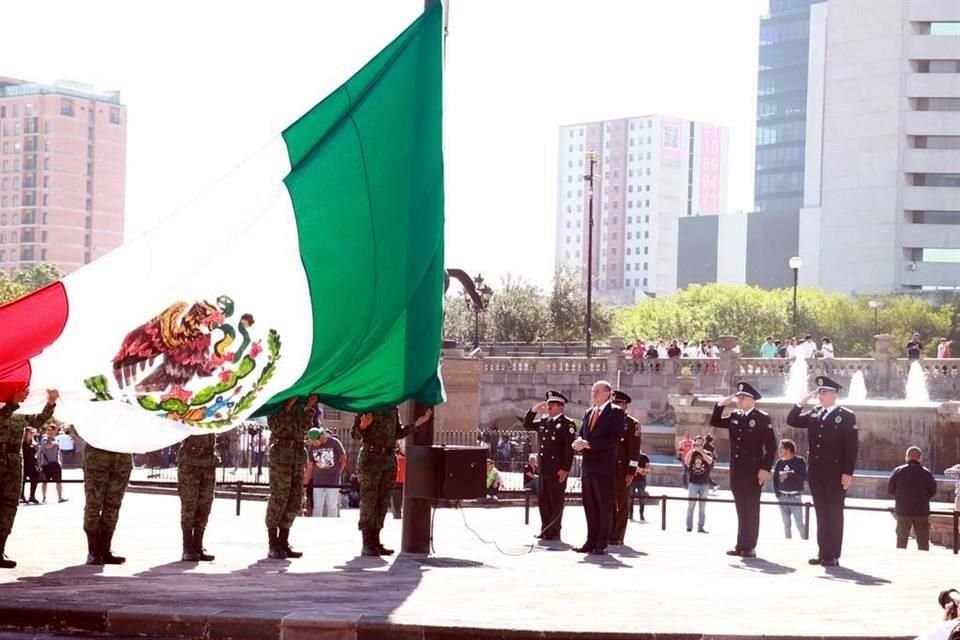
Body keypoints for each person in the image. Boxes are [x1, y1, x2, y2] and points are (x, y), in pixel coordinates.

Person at [786, 375, 859, 567]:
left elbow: (851, 447)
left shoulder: (846, 415)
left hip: (835, 472)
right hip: (816, 471)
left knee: (834, 512)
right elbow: (792, 420)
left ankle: (833, 553)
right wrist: (801, 402)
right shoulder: (815, 412)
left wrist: (847, 473)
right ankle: (823, 552)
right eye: (819, 392)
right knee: (821, 513)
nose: (820, 395)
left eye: (824, 392)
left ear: (834, 395)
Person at [352, 406, 432, 556]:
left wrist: (417, 424)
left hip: (388, 459)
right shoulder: (367, 406)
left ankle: (376, 541)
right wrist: (363, 426)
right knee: (369, 501)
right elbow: (354, 434)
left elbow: (398, 432)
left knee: (382, 502)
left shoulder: (392, 409)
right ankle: (367, 543)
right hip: (370, 458)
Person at [710, 382, 776, 556]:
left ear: (752, 400)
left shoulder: (762, 417)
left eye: (743, 397)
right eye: (738, 397)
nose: (739, 400)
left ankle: (750, 546)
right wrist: (720, 404)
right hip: (737, 469)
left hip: (754, 469)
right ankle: (740, 544)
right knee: (741, 507)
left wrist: (765, 469)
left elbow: (771, 447)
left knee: (752, 508)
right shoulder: (735, 415)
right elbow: (715, 421)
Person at [0, 388, 57, 568]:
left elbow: (37, 420)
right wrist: (12, 403)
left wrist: (50, 403)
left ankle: (0, 549)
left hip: (14, 459)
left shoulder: (22, 410)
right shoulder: (8, 406)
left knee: (9, 505)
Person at [572, 380, 625, 555]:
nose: (593, 394)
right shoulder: (589, 412)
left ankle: (601, 543)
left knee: (603, 506)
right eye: (592, 391)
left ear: (607, 393)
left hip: (604, 467)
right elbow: (583, 434)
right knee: (590, 506)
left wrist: (590, 444)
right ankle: (591, 540)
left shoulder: (615, 412)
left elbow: (614, 438)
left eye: (596, 391)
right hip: (588, 466)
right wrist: (578, 443)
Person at [265, 395, 316, 560]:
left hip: (297, 456)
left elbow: (305, 428)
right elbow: (275, 426)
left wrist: (308, 408)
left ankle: (284, 541)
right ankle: (273, 543)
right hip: (281, 455)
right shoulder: (276, 402)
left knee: (294, 500)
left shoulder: (301, 404)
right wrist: (286, 407)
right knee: (279, 498)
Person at [523, 390, 576, 541]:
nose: (548, 408)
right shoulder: (544, 422)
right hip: (544, 469)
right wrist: (534, 410)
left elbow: (569, 449)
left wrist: (565, 469)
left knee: (556, 501)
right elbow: (527, 424)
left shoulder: (567, 424)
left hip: (557, 470)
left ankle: (554, 531)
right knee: (543, 500)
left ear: (561, 407)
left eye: (552, 405)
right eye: (548, 405)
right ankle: (545, 529)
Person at [83, 442, 134, 565]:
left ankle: (105, 550)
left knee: (114, 506)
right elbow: (79, 427)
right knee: (94, 504)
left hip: (122, 460)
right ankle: (93, 551)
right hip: (97, 460)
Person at [177, 433, 218, 562]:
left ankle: (198, 546)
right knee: (189, 504)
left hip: (208, 461)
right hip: (190, 461)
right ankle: (187, 547)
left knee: (205, 505)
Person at [888, 446, 938, 551]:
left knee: (901, 541)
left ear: (907, 457)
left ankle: (900, 562)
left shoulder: (898, 471)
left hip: (903, 510)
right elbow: (933, 490)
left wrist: (901, 497)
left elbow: (890, 489)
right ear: (920, 458)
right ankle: (924, 563)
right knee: (923, 542)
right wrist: (923, 498)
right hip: (921, 511)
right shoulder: (926, 473)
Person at [610, 390, 642, 546]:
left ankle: (618, 535)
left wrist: (630, 472)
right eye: (613, 403)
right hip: (607, 468)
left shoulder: (631, 423)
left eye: (618, 404)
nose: (615, 406)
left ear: (624, 405)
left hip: (622, 470)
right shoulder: (607, 419)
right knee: (607, 502)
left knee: (621, 503)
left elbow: (634, 452)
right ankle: (607, 531)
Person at [306, 426, 347, 518]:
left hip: (333, 481)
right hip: (318, 481)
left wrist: (338, 472)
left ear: (320, 437)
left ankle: (332, 526)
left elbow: (343, 458)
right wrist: (306, 481)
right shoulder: (312, 447)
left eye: (314, 441)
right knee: (317, 506)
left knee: (332, 506)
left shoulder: (334, 443)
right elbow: (310, 465)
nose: (312, 443)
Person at [773, 439, 807, 539]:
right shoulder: (779, 463)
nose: (779, 450)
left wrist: (789, 475)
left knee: (800, 524)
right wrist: (777, 494)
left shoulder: (799, 461)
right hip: (782, 497)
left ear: (788, 449)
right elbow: (775, 479)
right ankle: (788, 543)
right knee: (786, 525)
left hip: (795, 497)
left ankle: (805, 543)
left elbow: (804, 477)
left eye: (781, 448)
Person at [684, 435, 713, 534]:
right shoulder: (692, 453)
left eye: (701, 443)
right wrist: (692, 450)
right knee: (691, 506)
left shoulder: (707, 453)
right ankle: (689, 526)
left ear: (703, 443)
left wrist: (701, 452)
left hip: (704, 483)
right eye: (697, 443)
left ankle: (700, 527)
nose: (699, 445)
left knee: (702, 507)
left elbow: (710, 461)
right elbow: (686, 461)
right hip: (693, 483)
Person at [38, 424, 66, 504]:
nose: (50, 431)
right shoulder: (44, 439)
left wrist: (60, 462)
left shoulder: (56, 440)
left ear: (55, 431)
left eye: (52, 430)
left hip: (55, 464)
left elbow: (59, 453)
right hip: (46, 464)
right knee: (45, 482)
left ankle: (60, 497)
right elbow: (46, 446)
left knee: (59, 481)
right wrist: (54, 443)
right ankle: (44, 498)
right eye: (49, 430)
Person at [20, 427, 40, 505]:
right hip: (24, 464)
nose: (32, 435)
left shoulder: (33, 443)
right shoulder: (22, 444)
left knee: (35, 479)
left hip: (32, 464)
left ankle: (32, 496)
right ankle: (21, 496)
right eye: (30, 433)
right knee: (23, 480)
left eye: (32, 433)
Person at [630, 450, 651, 521]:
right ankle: (630, 514)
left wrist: (640, 470)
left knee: (641, 497)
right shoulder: (630, 456)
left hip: (641, 481)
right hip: (631, 480)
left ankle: (641, 514)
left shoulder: (644, 457)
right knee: (630, 498)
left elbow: (648, 469)